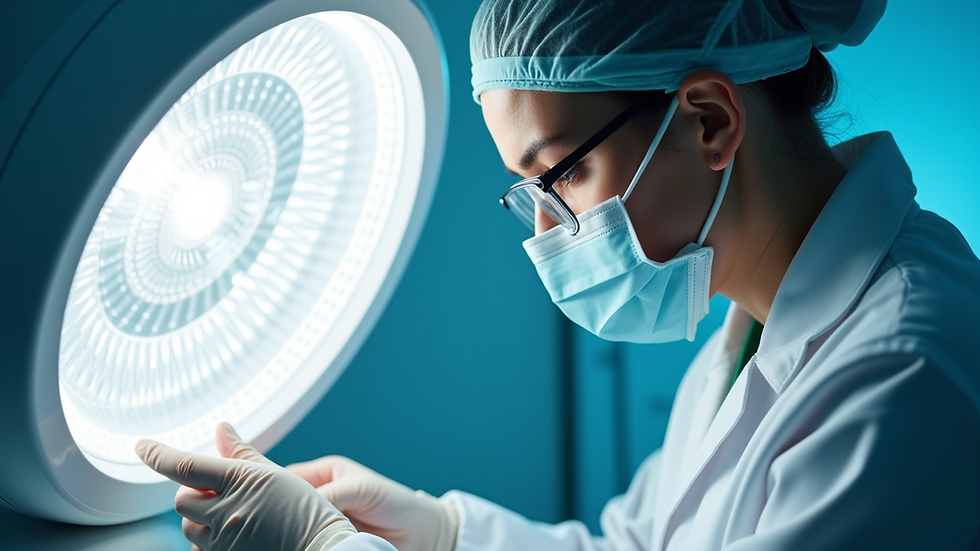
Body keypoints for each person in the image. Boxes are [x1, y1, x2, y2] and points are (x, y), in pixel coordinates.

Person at [136, 0, 980, 549]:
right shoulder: (752, 325)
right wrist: (444, 533)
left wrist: (330, 549)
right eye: (529, 190)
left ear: (711, 121)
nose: (545, 231)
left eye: (562, 176)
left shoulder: (908, 373)